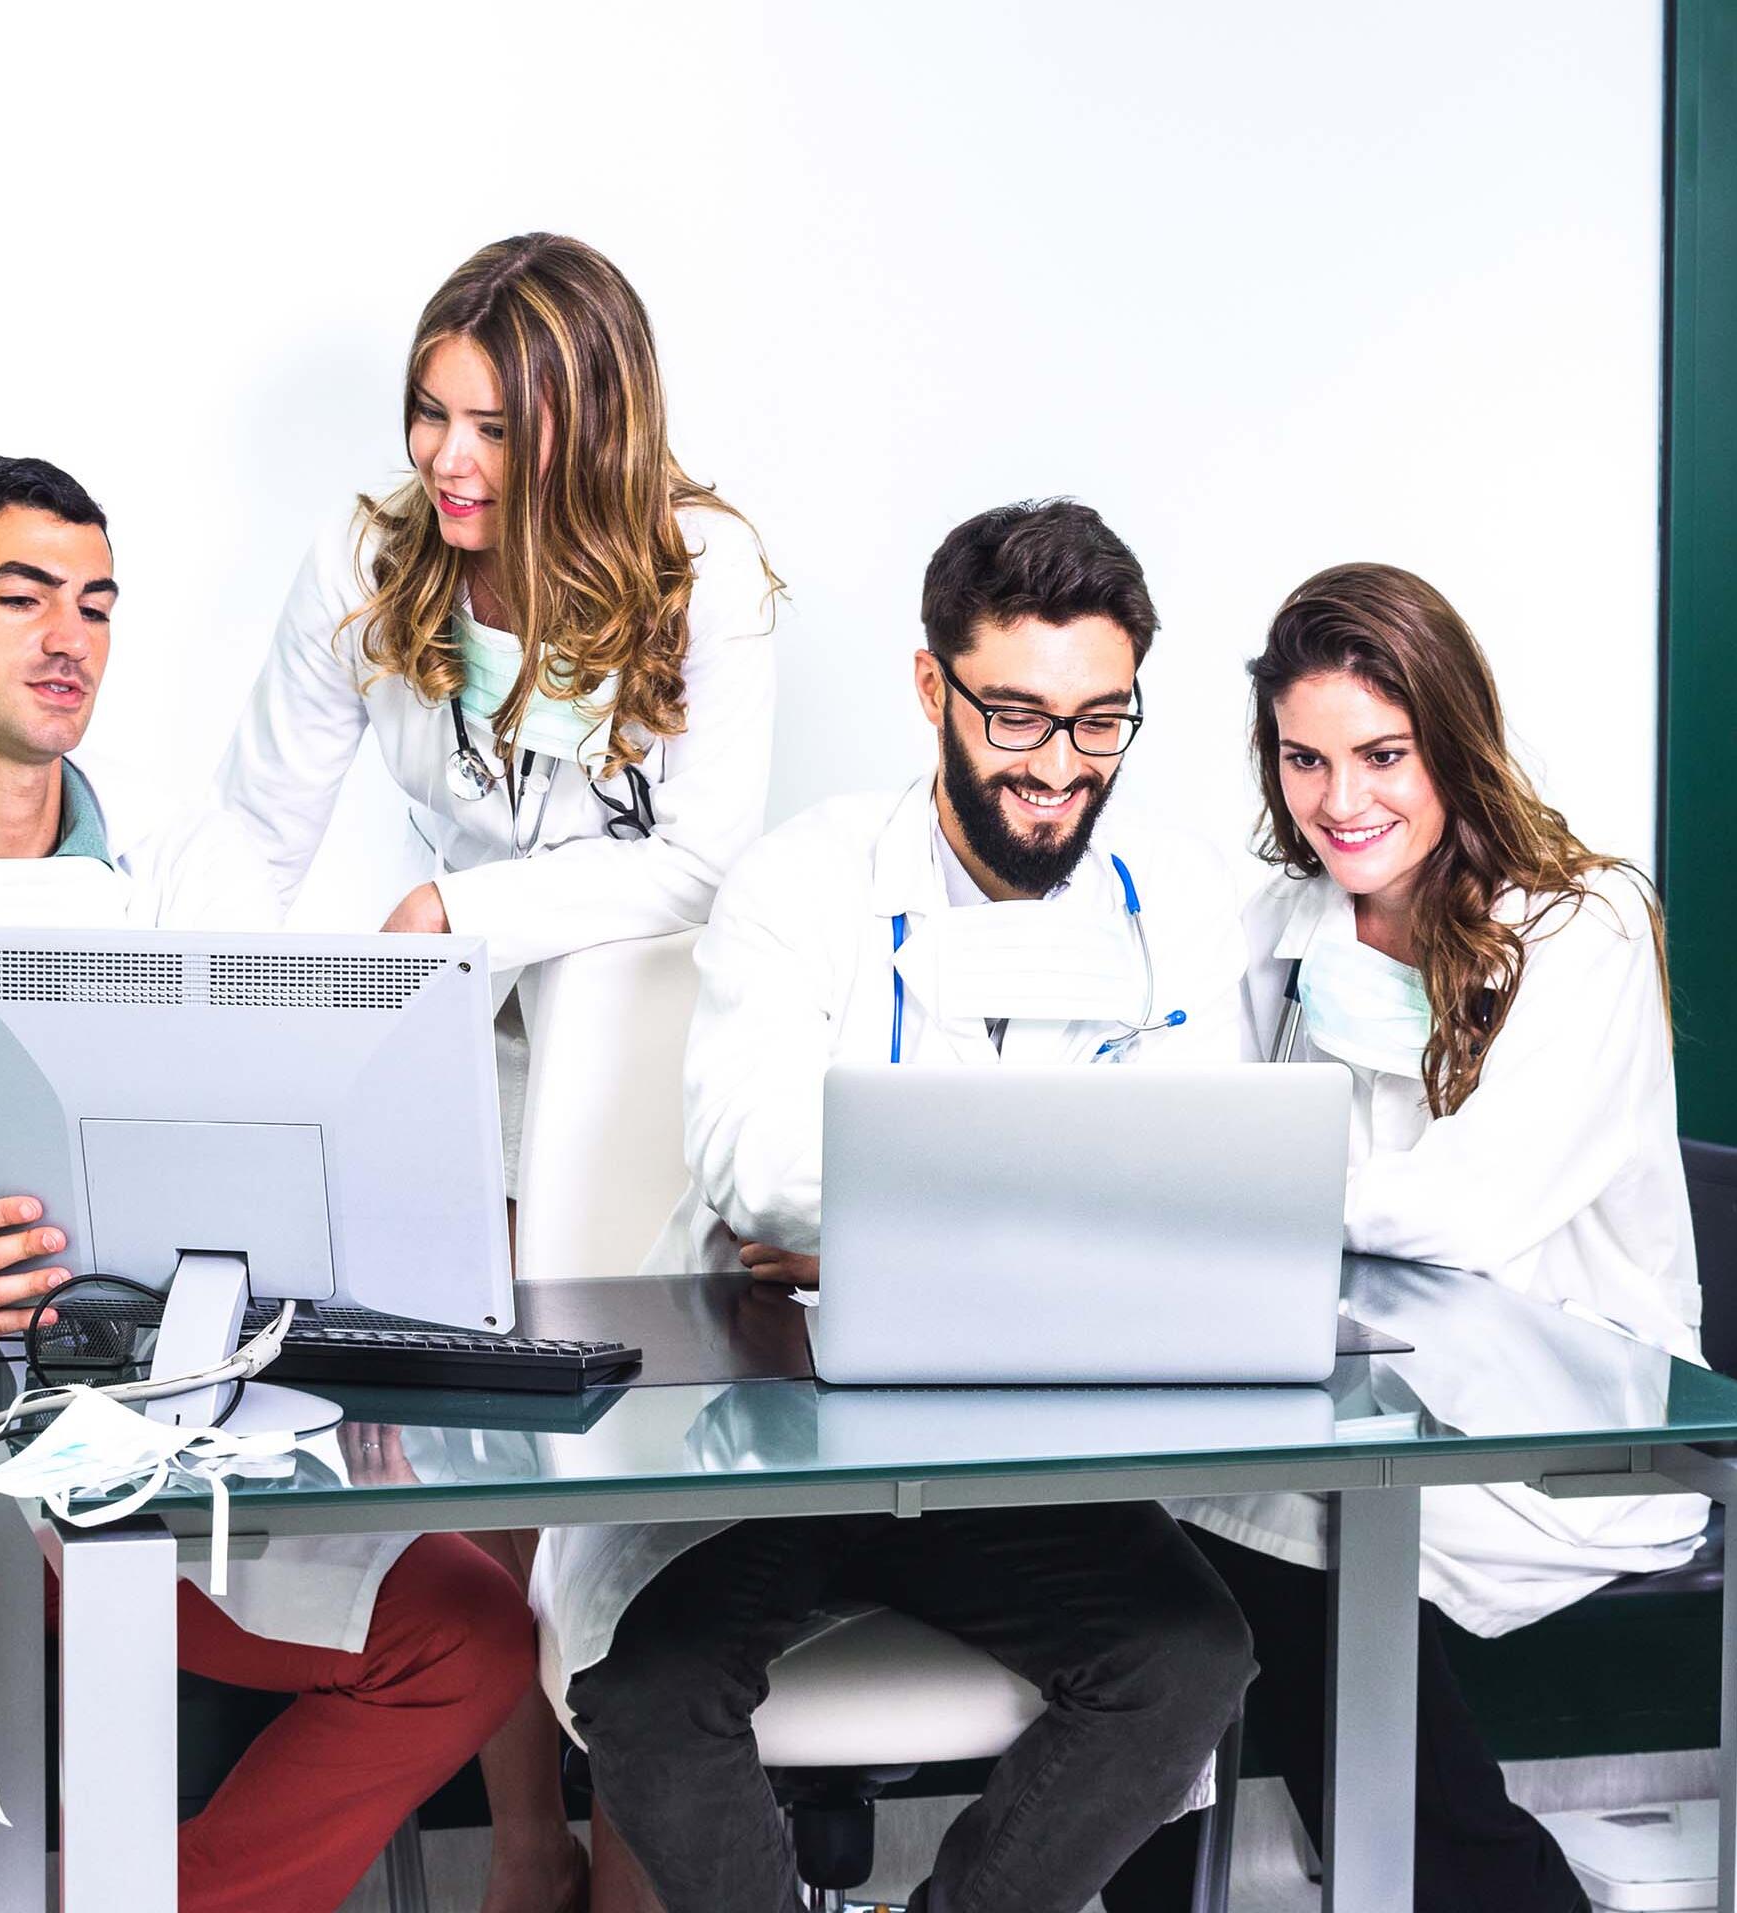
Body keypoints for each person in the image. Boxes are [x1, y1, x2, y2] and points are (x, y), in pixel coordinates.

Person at [0, 456, 534, 1913]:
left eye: (95, 604)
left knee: (470, 1634)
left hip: (172, 1432)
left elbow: (275, 1137)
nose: (68, 637)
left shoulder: (189, 867)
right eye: (22, 596)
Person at [538, 500, 1260, 1913]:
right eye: (1016, 716)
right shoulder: (804, 884)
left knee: (1191, 1658)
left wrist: (877, 1206)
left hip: (1015, 1450)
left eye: (1100, 721)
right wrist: (1079, 1203)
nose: (1058, 769)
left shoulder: (1175, 901)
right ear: (932, 686)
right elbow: (758, 1169)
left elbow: (1204, 1187)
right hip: (774, 1434)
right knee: (652, 1690)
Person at [215, 231, 780, 1913]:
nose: (447, 461)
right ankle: (523, 1841)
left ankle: (628, 1848)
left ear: (583, 434)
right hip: (469, 1028)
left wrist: (462, 905)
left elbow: (701, 862)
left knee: (610, 1446)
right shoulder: (376, 551)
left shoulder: (706, 572)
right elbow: (258, 824)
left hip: (633, 1016)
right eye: (427, 414)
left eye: (493, 429)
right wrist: (208, 1032)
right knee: (485, 1440)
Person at [1103, 562, 1708, 1913]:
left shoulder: (1583, 928)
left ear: (1453, 738)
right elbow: (1176, 1129)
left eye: (1383, 754)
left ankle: (1495, 1892)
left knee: (1258, 1551)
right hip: (1349, 1398)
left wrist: (1243, 1189)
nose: (1342, 800)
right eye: (1305, 759)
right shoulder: (1284, 922)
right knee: (1141, 1560)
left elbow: (1467, 1214)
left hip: (1553, 1410)